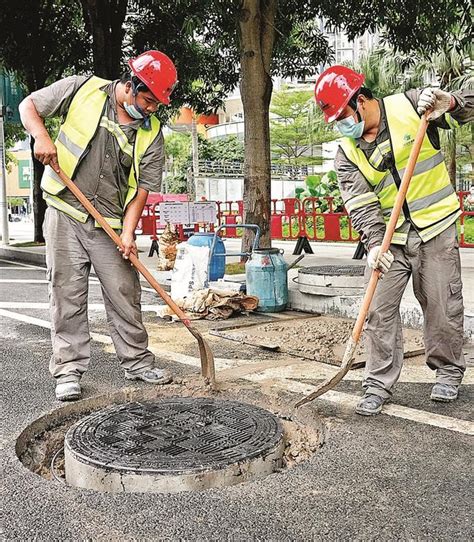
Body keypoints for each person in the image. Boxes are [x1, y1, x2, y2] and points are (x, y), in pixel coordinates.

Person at [19, 50, 178, 401]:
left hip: (109, 223)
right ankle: (68, 370)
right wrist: (41, 138)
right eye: (148, 99)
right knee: (66, 293)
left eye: (157, 104)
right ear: (130, 84)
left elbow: (142, 191)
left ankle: (137, 361)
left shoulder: (152, 134)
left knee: (125, 292)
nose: (151, 108)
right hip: (65, 211)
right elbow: (28, 106)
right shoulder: (83, 89)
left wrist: (128, 232)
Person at [314, 65, 473, 416]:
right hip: (391, 237)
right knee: (377, 309)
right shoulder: (347, 152)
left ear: (362, 99)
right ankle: (377, 383)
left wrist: (450, 101)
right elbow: (359, 202)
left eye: (344, 114)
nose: (343, 123)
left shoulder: (412, 106)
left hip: (435, 227)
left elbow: (468, 105)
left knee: (442, 306)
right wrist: (373, 245)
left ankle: (448, 370)